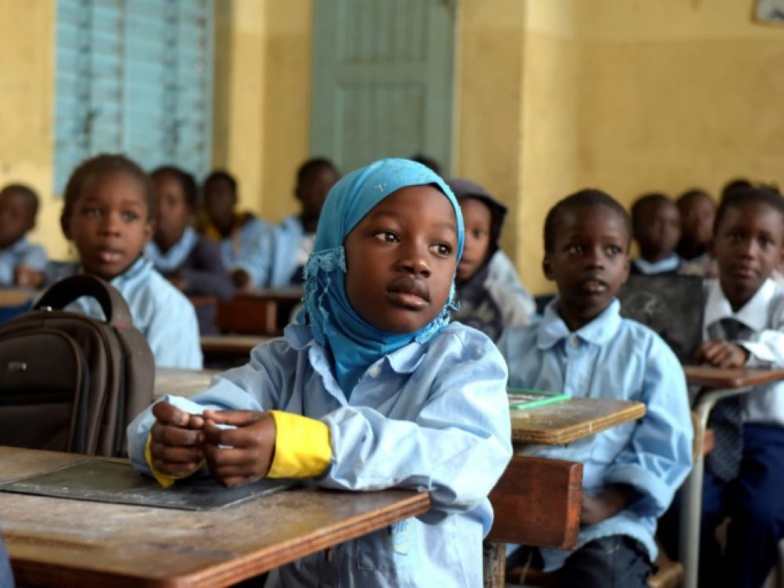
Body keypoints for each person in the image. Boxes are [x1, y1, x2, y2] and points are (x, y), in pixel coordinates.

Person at [127, 158, 513, 587]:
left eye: (441, 249)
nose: (417, 262)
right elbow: (205, 410)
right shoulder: (288, 360)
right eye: (389, 236)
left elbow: (460, 459)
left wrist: (313, 446)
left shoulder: (465, 360)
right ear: (333, 250)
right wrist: (171, 440)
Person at [499, 189, 692, 588]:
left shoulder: (648, 353)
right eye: (576, 248)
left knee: (600, 578)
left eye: (611, 251)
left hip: (608, 520)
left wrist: (608, 503)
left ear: (625, 268)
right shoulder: (510, 347)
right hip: (513, 512)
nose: (594, 261)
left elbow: (666, 448)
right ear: (548, 264)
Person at [689, 187, 784, 588]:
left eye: (765, 242)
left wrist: (747, 351)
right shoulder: (690, 298)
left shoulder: (780, 302)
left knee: (762, 513)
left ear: (780, 255)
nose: (749, 251)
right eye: (735, 236)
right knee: (685, 509)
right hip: (701, 432)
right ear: (713, 244)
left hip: (770, 437)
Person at [47, 154, 202, 369]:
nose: (111, 228)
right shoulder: (51, 298)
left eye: (129, 216)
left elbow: (173, 395)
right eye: (94, 212)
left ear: (147, 232)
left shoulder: (168, 308)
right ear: (66, 224)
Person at [146, 166, 234, 334]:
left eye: (171, 202)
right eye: (153, 202)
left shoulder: (202, 247)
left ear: (190, 211)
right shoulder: (137, 249)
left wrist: (187, 279)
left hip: (198, 337)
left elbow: (226, 288)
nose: (161, 210)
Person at [447, 178, 530, 341]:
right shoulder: (417, 295)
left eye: (477, 233)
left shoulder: (506, 308)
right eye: (455, 229)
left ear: (490, 243)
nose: (467, 243)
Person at [254, 157, 340, 288]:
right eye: (317, 185)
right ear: (298, 192)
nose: (325, 193)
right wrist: (244, 275)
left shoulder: (348, 235)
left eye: (332, 186)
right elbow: (253, 269)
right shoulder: (276, 235)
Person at [199, 170, 271, 291]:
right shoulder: (198, 234)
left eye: (220, 193)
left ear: (235, 198)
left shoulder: (258, 230)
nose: (212, 199)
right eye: (207, 194)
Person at [0, 183, 47, 288]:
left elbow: (24, 279)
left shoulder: (34, 252)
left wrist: (20, 275)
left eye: (14, 215)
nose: (3, 218)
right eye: (0, 210)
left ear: (31, 224)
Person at [630, 192, 681, 275]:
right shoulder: (622, 274)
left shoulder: (691, 274)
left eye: (674, 224)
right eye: (656, 223)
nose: (666, 230)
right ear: (634, 228)